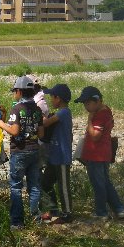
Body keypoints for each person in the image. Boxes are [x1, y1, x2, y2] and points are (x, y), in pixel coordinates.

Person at [0, 76, 44, 228]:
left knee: (16, 186)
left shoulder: (16, 109)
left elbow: (14, 131)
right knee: (34, 185)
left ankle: (17, 222)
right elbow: (41, 134)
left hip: (20, 151)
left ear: (19, 92)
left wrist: (0, 123)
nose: (13, 94)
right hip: (35, 150)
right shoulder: (37, 109)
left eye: (14, 91)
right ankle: (36, 217)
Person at [75, 86, 124, 220]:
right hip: (104, 153)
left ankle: (101, 212)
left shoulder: (99, 115)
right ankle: (119, 209)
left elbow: (95, 135)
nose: (85, 106)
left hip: (96, 155)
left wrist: (89, 120)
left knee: (98, 184)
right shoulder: (107, 111)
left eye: (87, 103)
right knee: (105, 182)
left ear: (97, 101)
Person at [40, 84, 73, 224]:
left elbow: (46, 123)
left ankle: (67, 213)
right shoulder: (59, 112)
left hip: (62, 156)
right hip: (54, 156)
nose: (51, 100)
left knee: (63, 186)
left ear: (58, 98)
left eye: (52, 97)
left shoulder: (64, 112)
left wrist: (38, 116)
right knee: (45, 183)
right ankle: (53, 209)